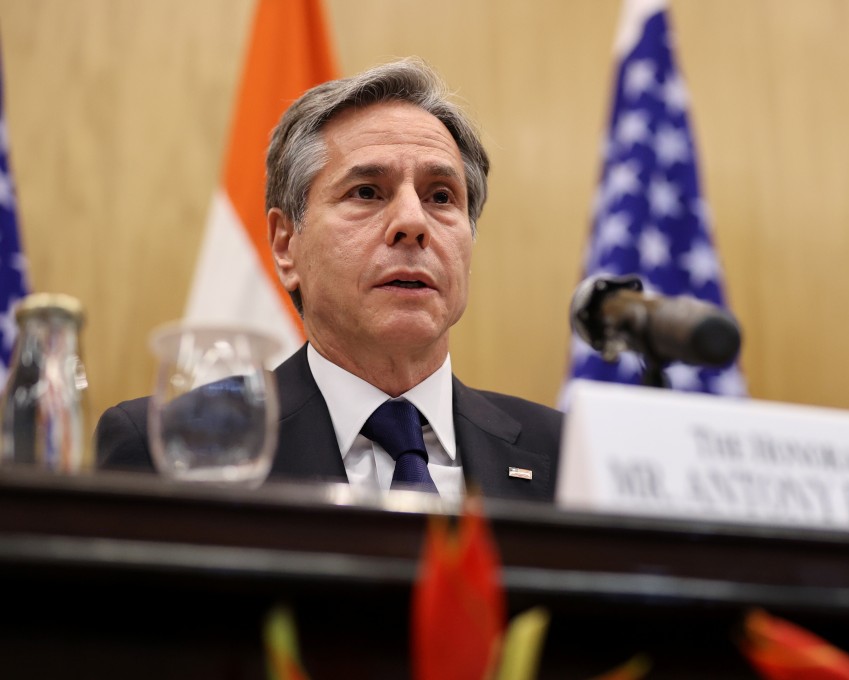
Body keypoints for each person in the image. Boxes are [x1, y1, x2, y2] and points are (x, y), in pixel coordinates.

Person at [96, 58, 562, 503]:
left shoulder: (562, 456)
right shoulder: (172, 447)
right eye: (366, 192)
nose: (412, 221)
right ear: (285, 244)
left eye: (441, 196)